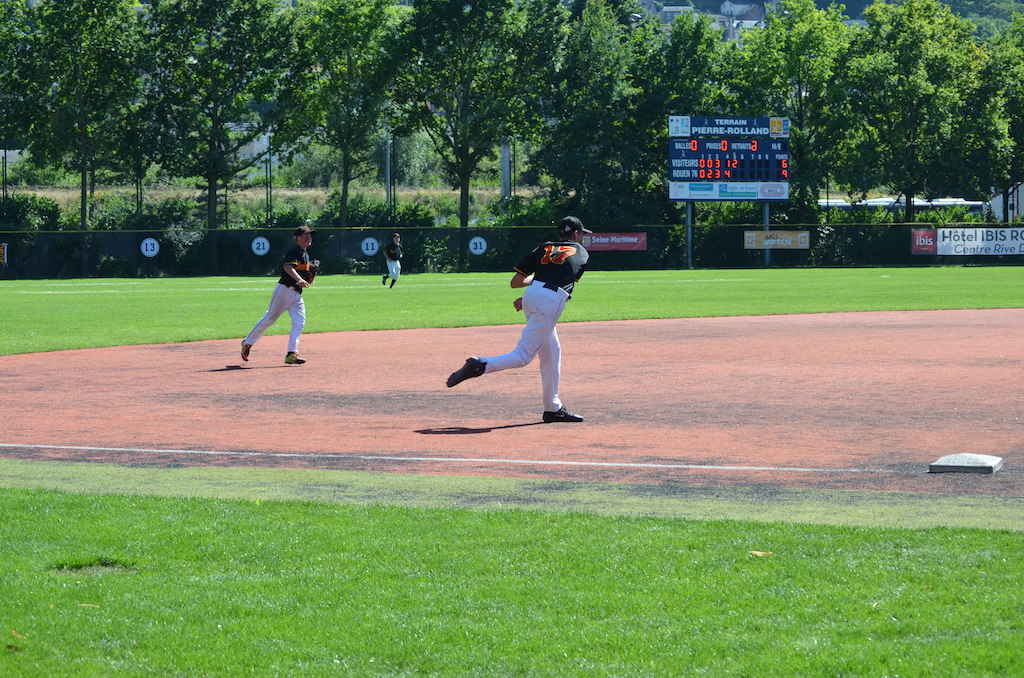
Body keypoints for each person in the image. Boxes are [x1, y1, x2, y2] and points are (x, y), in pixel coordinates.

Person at [446, 216, 592, 423]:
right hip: (549, 298)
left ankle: (552, 408)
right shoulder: (581, 251)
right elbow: (565, 281)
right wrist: (543, 297)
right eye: (582, 234)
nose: (582, 237)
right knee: (523, 356)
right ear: (576, 234)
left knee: (552, 352)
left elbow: (516, 282)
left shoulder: (544, 247)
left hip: (532, 295)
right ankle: (481, 364)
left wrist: (532, 297)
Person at [240, 224, 319, 365]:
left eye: (310, 235)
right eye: (306, 235)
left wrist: (312, 274)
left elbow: (308, 281)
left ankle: (291, 354)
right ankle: (247, 342)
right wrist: (300, 279)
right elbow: (288, 267)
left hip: (297, 295)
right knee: (270, 318)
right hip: (284, 290)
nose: (309, 237)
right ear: (298, 238)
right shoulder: (293, 252)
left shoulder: (306, 255)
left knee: (299, 322)